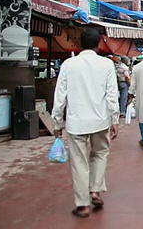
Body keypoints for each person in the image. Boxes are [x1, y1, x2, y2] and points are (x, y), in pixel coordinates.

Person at [51, 28, 119, 218]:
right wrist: (115, 120)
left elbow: (60, 96)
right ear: (99, 44)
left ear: (80, 44)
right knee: (100, 153)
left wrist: (57, 122)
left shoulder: (68, 64)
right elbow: (112, 96)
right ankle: (95, 190)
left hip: (76, 122)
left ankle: (83, 205)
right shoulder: (106, 65)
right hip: (100, 120)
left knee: (79, 162)